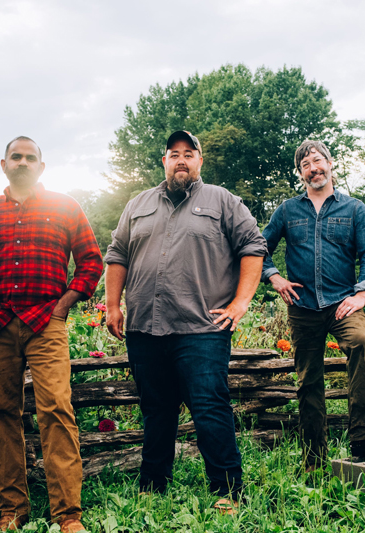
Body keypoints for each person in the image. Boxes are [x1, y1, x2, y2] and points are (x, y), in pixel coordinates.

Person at [105, 130, 267, 513]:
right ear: (164, 161)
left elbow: (253, 247)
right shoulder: (138, 204)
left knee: (209, 406)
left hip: (202, 328)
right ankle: (153, 484)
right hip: (145, 325)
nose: (181, 159)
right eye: (173, 153)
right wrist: (112, 305)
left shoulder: (223, 201)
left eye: (189, 153)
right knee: (156, 408)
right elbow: (117, 254)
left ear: (199, 161)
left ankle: (227, 489)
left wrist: (241, 302)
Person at [0, 136, 102, 533]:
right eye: (15, 156)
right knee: (2, 414)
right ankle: (12, 511)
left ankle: (68, 517)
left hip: (46, 323)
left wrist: (65, 304)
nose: (22, 162)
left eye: (29, 157)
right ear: (3, 164)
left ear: (41, 166)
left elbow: (91, 261)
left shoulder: (65, 207)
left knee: (56, 411)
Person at [261, 139, 365, 469]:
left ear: (331, 163)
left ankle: (364, 436)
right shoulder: (287, 210)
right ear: (300, 173)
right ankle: (315, 458)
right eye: (306, 165)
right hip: (303, 306)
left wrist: (361, 294)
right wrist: (274, 277)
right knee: (308, 379)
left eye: (317, 161)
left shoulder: (354, 209)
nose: (313, 168)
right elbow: (258, 246)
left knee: (362, 343)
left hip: (343, 303)